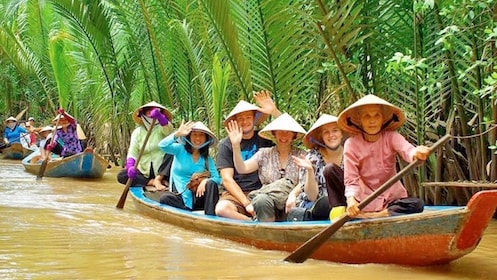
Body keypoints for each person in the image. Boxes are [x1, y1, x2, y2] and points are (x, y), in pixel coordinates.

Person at [337, 94, 431, 218]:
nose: (372, 121)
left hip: (392, 199)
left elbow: (408, 150)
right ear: (360, 120)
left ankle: (375, 216)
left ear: (382, 119)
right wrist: (351, 201)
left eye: (377, 115)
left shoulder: (391, 136)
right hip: (366, 200)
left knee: (417, 204)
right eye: (367, 116)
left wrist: (417, 153)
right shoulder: (351, 144)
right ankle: (366, 213)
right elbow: (351, 179)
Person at [215, 91, 282, 221]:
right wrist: (246, 203)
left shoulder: (265, 138)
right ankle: (252, 223)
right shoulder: (226, 144)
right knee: (222, 209)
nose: (245, 122)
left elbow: (288, 134)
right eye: (240, 119)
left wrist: (274, 112)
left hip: (263, 190)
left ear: (254, 119)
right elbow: (227, 179)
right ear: (235, 122)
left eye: (248, 117)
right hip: (236, 194)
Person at [226, 113, 306, 222]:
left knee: (302, 205)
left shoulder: (302, 155)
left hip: (292, 202)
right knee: (260, 200)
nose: (284, 136)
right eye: (280, 132)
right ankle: (267, 232)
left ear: (294, 135)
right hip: (268, 202)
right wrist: (235, 146)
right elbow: (242, 168)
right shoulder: (264, 153)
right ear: (274, 133)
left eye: (288, 132)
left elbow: (306, 180)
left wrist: (293, 195)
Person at [286, 114, 347, 221]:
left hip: (345, 203)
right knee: (326, 203)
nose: (331, 135)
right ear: (321, 137)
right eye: (326, 132)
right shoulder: (312, 157)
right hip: (317, 206)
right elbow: (312, 196)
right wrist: (310, 170)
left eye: (335, 130)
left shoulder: (351, 153)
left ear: (342, 133)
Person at [157, 121, 221, 215]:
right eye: (194, 134)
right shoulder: (179, 149)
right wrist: (177, 134)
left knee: (211, 183)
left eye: (201, 135)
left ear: (206, 138)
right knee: (164, 198)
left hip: (197, 196)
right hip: (180, 195)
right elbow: (162, 146)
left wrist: (205, 181)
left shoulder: (206, 159)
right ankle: (187, 211)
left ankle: (210, 216)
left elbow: (218, 179)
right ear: (189, 136)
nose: (198, 138)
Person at [116, 101, 174, 190]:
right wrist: (130, 166)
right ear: (143, 115)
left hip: (163, 170)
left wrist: (159, 116)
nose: (150, 115)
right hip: (144, 172)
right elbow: (132, 153)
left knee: (171, 153)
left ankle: (159, 179)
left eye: (153, 112)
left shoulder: (162, 128)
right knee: (122, 175)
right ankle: (151, 182)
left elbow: (168, 129)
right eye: (148, 113)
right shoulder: (137, 132)